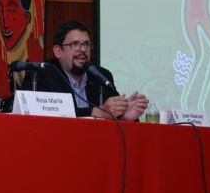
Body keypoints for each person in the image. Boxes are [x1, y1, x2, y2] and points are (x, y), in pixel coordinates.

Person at [19, 20, 148, 120]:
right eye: (75, 44)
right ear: (58, 51)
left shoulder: (101, 76)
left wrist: (124, 116)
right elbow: (48, 115)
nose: (83, 49)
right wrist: (97, 112)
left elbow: (111, 119)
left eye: (86, 44)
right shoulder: (41, 76)